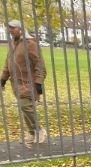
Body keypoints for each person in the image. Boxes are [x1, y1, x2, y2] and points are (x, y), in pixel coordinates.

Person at [1, 19, 47, 148]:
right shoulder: (13, 44)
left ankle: (39, 130)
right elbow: (8, 63)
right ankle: (32, 133)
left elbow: (39, 64)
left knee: (25, 106)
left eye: (12, 28)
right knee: (25, 108)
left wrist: (39, 83)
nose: (10, 30)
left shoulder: (30, 44)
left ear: (20, 29)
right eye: (8, 28)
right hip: (17, 84)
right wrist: (3, 79)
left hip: (29, 83)